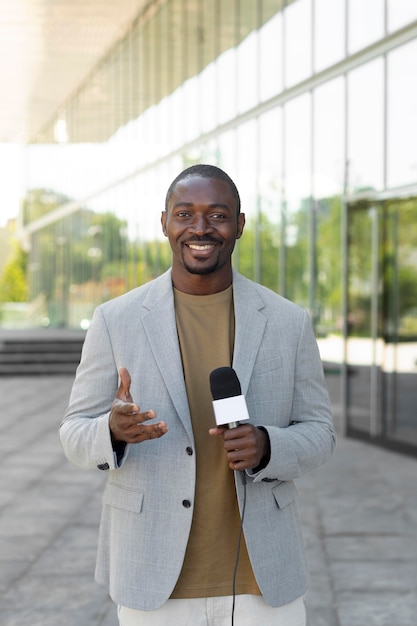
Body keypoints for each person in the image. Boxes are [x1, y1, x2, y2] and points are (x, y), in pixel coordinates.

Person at [60, 164, 335, 625]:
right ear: (164, 222)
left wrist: (269, 445)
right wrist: (112, 431)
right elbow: (73, 434)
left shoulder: (289, 322)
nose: (201, 228)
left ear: (239, 225)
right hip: (154, 576)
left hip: (262, 580)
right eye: (185, 214)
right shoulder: (115, 320)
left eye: (217, 214)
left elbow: (321, 433)